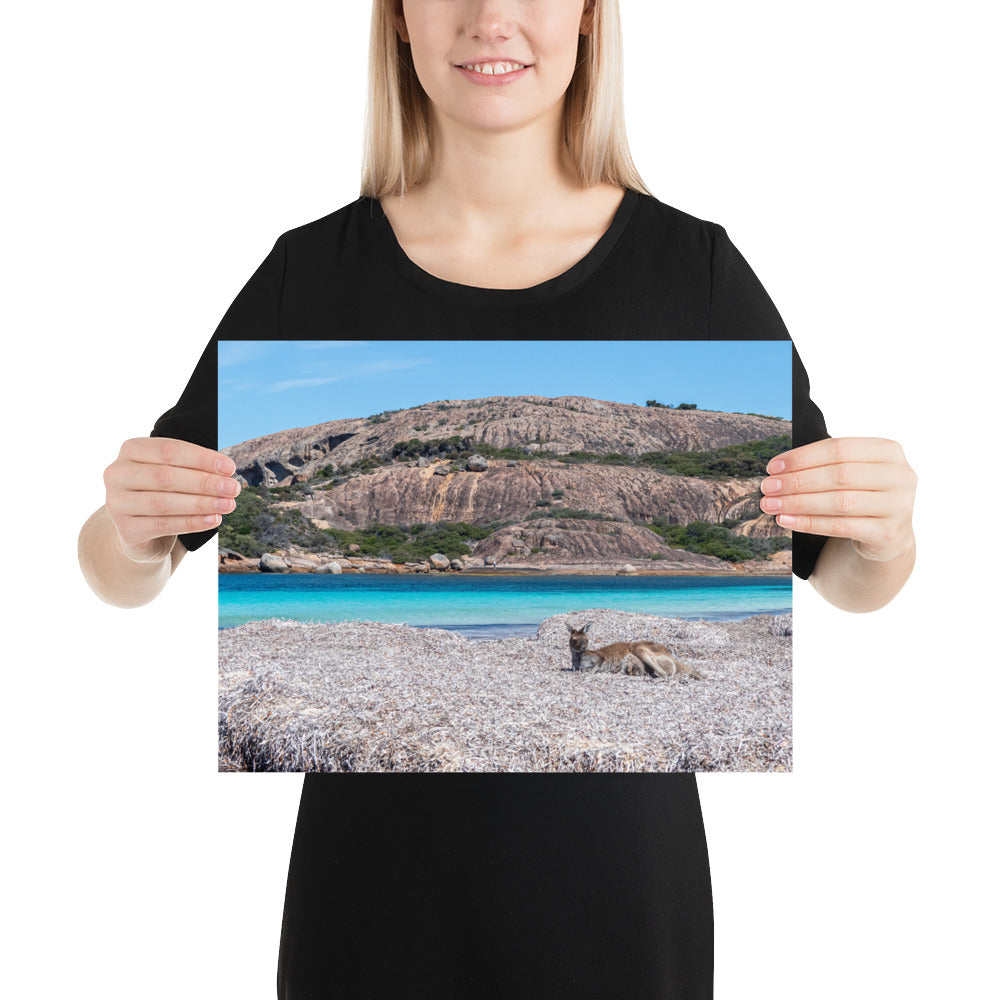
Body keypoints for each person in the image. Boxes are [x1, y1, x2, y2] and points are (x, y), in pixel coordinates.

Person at [77, 1, 917, 996]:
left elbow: (849, 579)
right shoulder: (310, 272)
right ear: (396, 19)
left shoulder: (692, 271)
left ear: (591, 18)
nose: (491, 19)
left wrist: (886, 530)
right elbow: (120, 569)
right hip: (369, 909)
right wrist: (130, 531)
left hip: (620, 906)